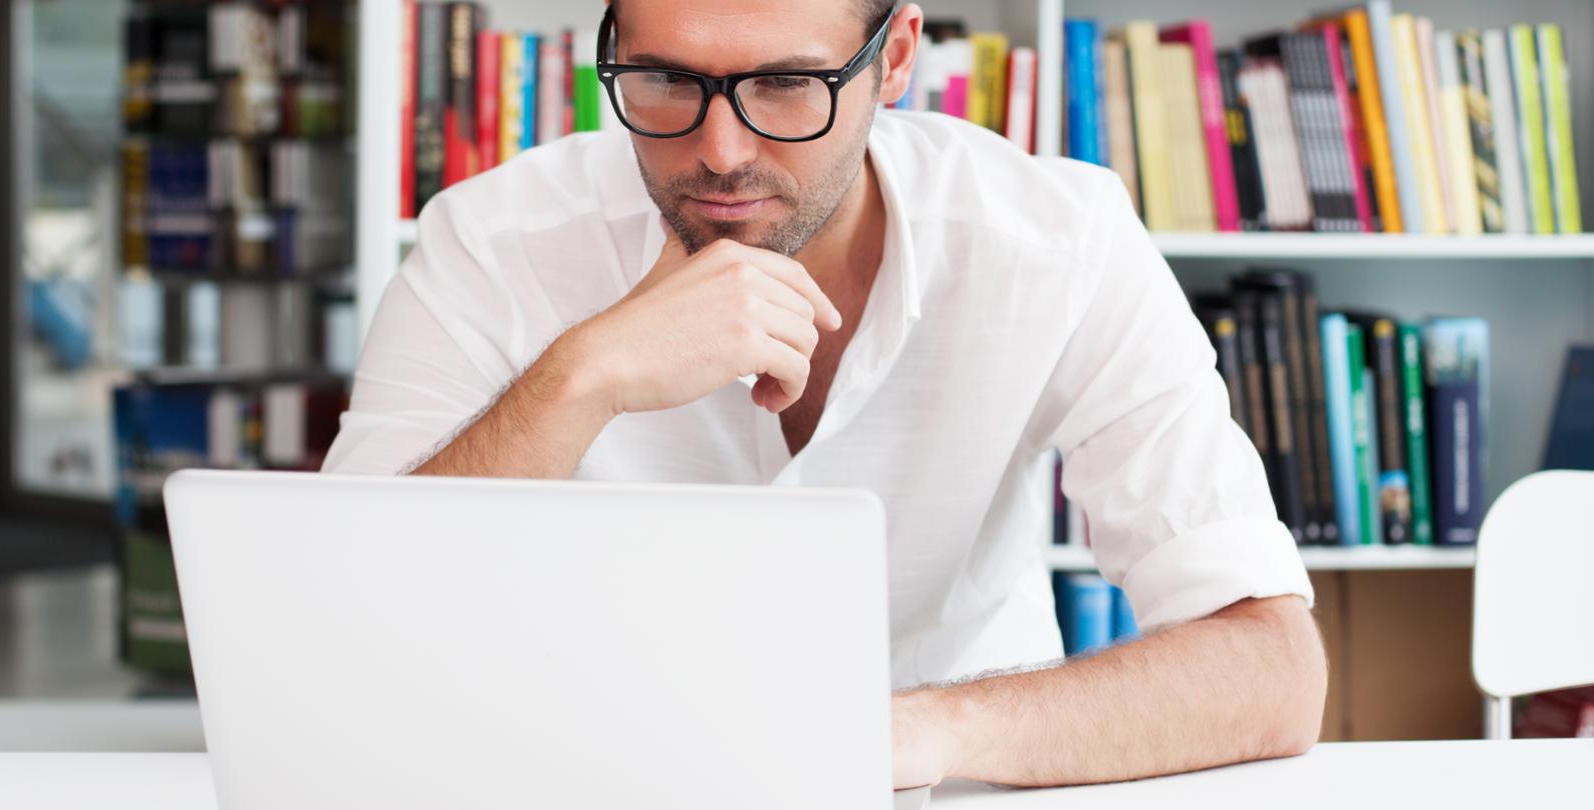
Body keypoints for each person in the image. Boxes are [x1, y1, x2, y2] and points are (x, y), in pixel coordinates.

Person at [324, 0, 1326, 789]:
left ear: (894, 62)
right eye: (668, 79)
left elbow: (1271, 670)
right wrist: (581, 379)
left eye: (789, 83)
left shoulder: (1059, 241)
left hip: (956, 788)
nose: (719, 150)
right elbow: (337, 632)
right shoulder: (490, 244)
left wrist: (919, 729)